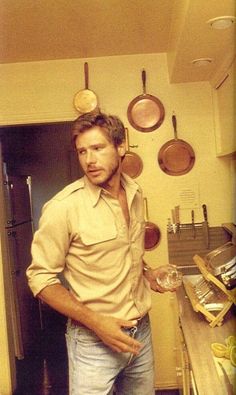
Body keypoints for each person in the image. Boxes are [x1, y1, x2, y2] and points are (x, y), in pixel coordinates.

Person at [26, 111, 169, 395]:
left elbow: (126, 250)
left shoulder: (134, 192)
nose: (89, 160)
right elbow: (40, 279)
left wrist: (148, 273)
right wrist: (97, 323)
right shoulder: (63, 207)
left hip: (140, 333)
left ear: (120, 147)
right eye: (82, 151)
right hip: (92, 342)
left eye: (97, 148)